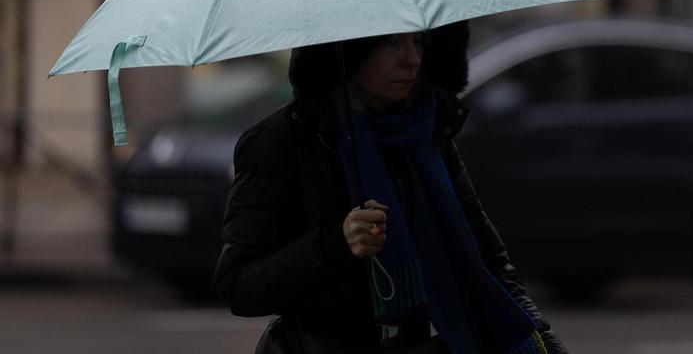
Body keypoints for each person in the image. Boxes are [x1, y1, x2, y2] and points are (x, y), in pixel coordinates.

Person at [213, 21, 568, 353]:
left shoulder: (426, 132)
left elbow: (489, 261)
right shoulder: (283, 142)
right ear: (349, 49)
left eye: (418, 41)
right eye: (392, 43)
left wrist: (543, 342)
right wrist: (336, 241)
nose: (412, 59)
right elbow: (240, 286)